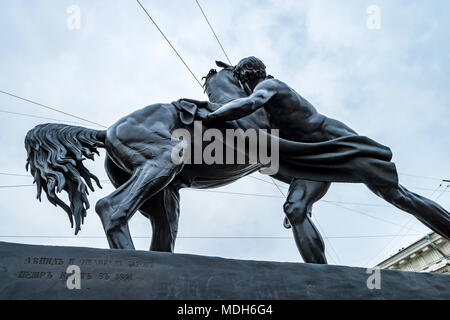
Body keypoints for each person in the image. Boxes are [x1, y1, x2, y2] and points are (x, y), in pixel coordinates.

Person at [183, 56, 450, 264]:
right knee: (295, 209)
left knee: (398, 196)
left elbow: (249, 106)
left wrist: (210, 118)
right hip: (313, 161)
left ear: (244, 78)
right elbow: (266, 146)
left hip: (337, 145)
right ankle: (322, 278)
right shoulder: (265, 107)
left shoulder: (268, 87)